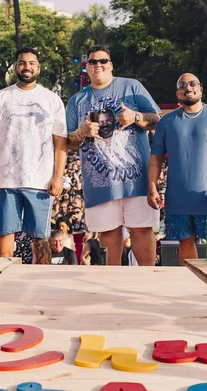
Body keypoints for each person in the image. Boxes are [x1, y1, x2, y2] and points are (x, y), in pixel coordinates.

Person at [66, 45, 161, 266]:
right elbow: (69, 142)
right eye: (93, 62)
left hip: (136, 180)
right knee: (108, 234)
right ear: (86, 68)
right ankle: (114, 284)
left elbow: (157, 119)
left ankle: (149, 282)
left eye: (103, 61)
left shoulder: (132, 87)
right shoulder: (77, 100)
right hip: (100, 184)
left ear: (111, 65)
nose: (98, 65)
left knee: (142, 231)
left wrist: (135, 116)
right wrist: (82, 132)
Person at [0, 47, 68, 264]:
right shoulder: (0, 97)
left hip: (40, 181)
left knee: (41, 238)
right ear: (16, 67)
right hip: (5, 180)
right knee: (5, 233)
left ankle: (44, 285)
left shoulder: (52, 99)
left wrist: (58, 176)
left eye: (31, 63)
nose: (26, 67)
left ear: (38, 68)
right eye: (22, 63)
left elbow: (60, 143)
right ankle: (3, 282)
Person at [148, 74, 207, 263]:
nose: (188, 88)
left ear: (200, 88)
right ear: (177, 93)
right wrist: (152, 188)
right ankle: (192, 286)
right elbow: (156, 159)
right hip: (177, 199)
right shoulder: (166, 122)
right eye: (182, 85)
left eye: (192, 83)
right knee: (184, 244)